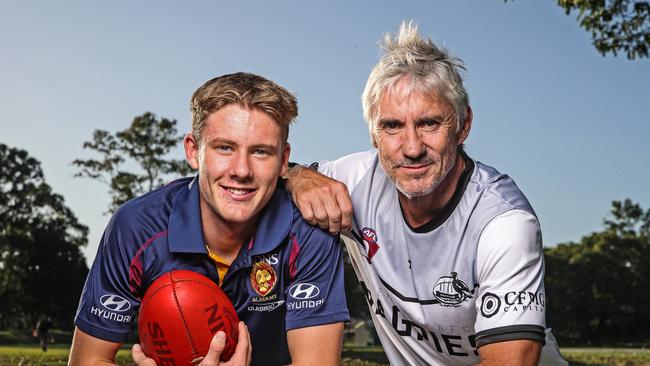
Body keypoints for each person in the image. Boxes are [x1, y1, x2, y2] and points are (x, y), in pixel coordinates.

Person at [285, 22, 568, 366]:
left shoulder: (505, 222)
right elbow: (264, 174)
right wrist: (297, 175)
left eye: (429, 123)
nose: (412, 147)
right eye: (392, 126)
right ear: (373, 134)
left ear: (463, 125)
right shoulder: (352, 180)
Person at [69, 72, 349, 366]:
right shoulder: (136, 226)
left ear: (283, 160)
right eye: (224, 148)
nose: (241, 170)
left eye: (260, 152)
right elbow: (88, 360)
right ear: (193, 151)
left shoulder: (308, 228)